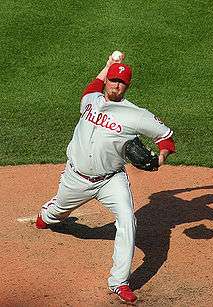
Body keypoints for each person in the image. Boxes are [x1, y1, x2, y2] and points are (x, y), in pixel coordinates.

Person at [35, 52, 176, 303]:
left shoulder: (137, 115)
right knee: (55, 214)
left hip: (111, 180)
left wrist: (160, 158)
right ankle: (48, 214)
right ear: (107, 80)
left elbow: (165, 137)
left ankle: (119, 282)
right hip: (75, 178)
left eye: (120, 82)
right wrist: (107, 65)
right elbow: (92, 84)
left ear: (127, 86)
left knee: (127, 220)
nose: (115, 85)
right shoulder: (91, 99)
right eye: (112, 80)